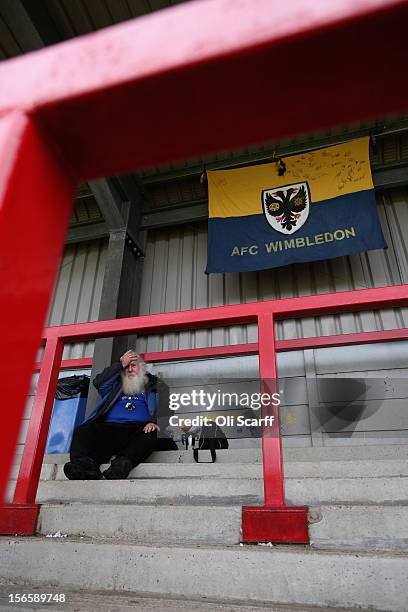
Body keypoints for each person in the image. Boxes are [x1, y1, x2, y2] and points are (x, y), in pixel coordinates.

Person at [63, 350, 162, 480]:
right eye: (127, 367)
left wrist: (153, 421)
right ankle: (84, 467)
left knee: (151, 433)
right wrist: (120, 363)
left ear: (142, 368)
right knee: (83, 430)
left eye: (134, 366)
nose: (130, 370)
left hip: (137, 431)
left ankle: (120, 466)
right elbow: (98, 382)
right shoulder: (115, 386)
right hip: (109, 429)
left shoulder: (154, 386)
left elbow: (165, 408)